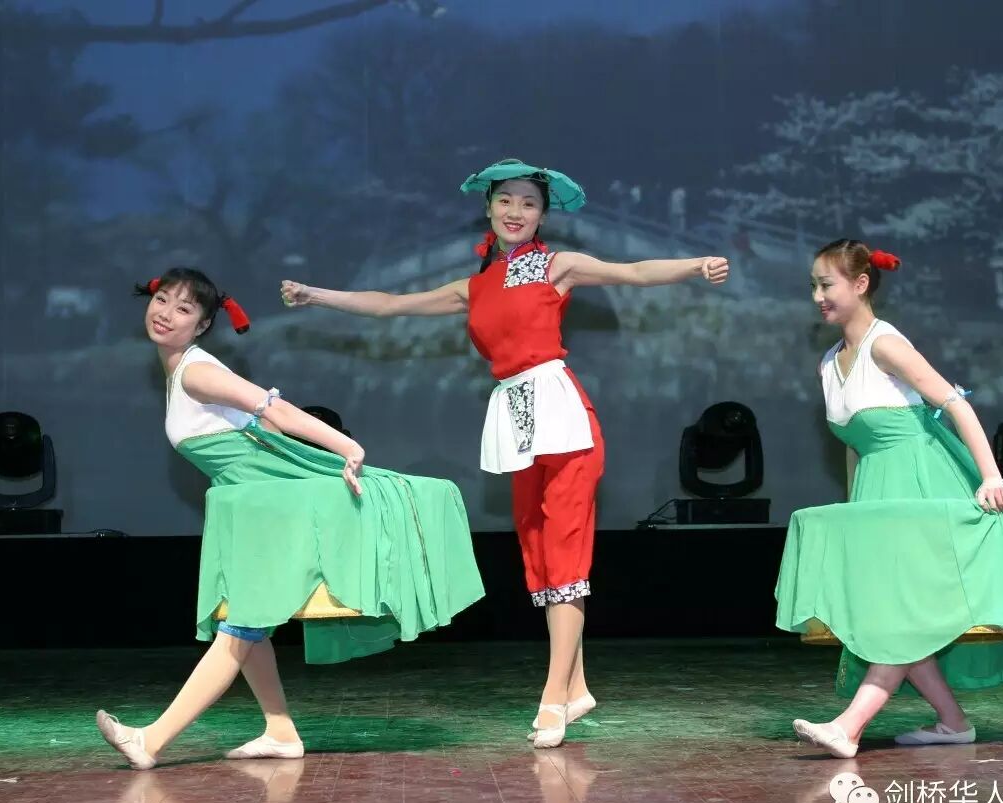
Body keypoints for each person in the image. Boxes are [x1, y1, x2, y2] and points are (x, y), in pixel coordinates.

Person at [280, 159, 728, 747]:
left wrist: (696, 264)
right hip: (515, 422)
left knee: (564, 555)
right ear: (488, 207)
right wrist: (315, 294)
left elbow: (635, 271)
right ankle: (577, 687)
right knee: (539, 555)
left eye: (529, 203)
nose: (516, 211)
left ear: (542, 214)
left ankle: (552, 698)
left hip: (563, 421)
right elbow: (390, 304)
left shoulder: (556, 265)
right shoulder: (475, 286)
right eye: (506, 201)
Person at [96, 268, 483, 769]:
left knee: (241, 626)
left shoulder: (196, 372)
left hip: (272, 501)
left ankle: (150, 741)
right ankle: (279, 731)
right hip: (253, 502)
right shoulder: (181, 371)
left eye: (184, 308)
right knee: (243, 620)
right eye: (163, 300)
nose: (166, 314)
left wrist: (346, 447)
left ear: (203, 324)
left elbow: (275, 413)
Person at [775, 240, 1003, 758]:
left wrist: (991, 476)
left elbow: (955, 403)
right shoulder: (829, 362)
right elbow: (855, 446)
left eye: (827, 284)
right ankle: (953, 723)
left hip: (921, 482)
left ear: (860, 284)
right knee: (900, 613)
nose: (818, 295)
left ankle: (849, 726)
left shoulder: (885, 344)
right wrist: (856, 511)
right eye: (813, 286)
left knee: (905, 613)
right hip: (879, 495)